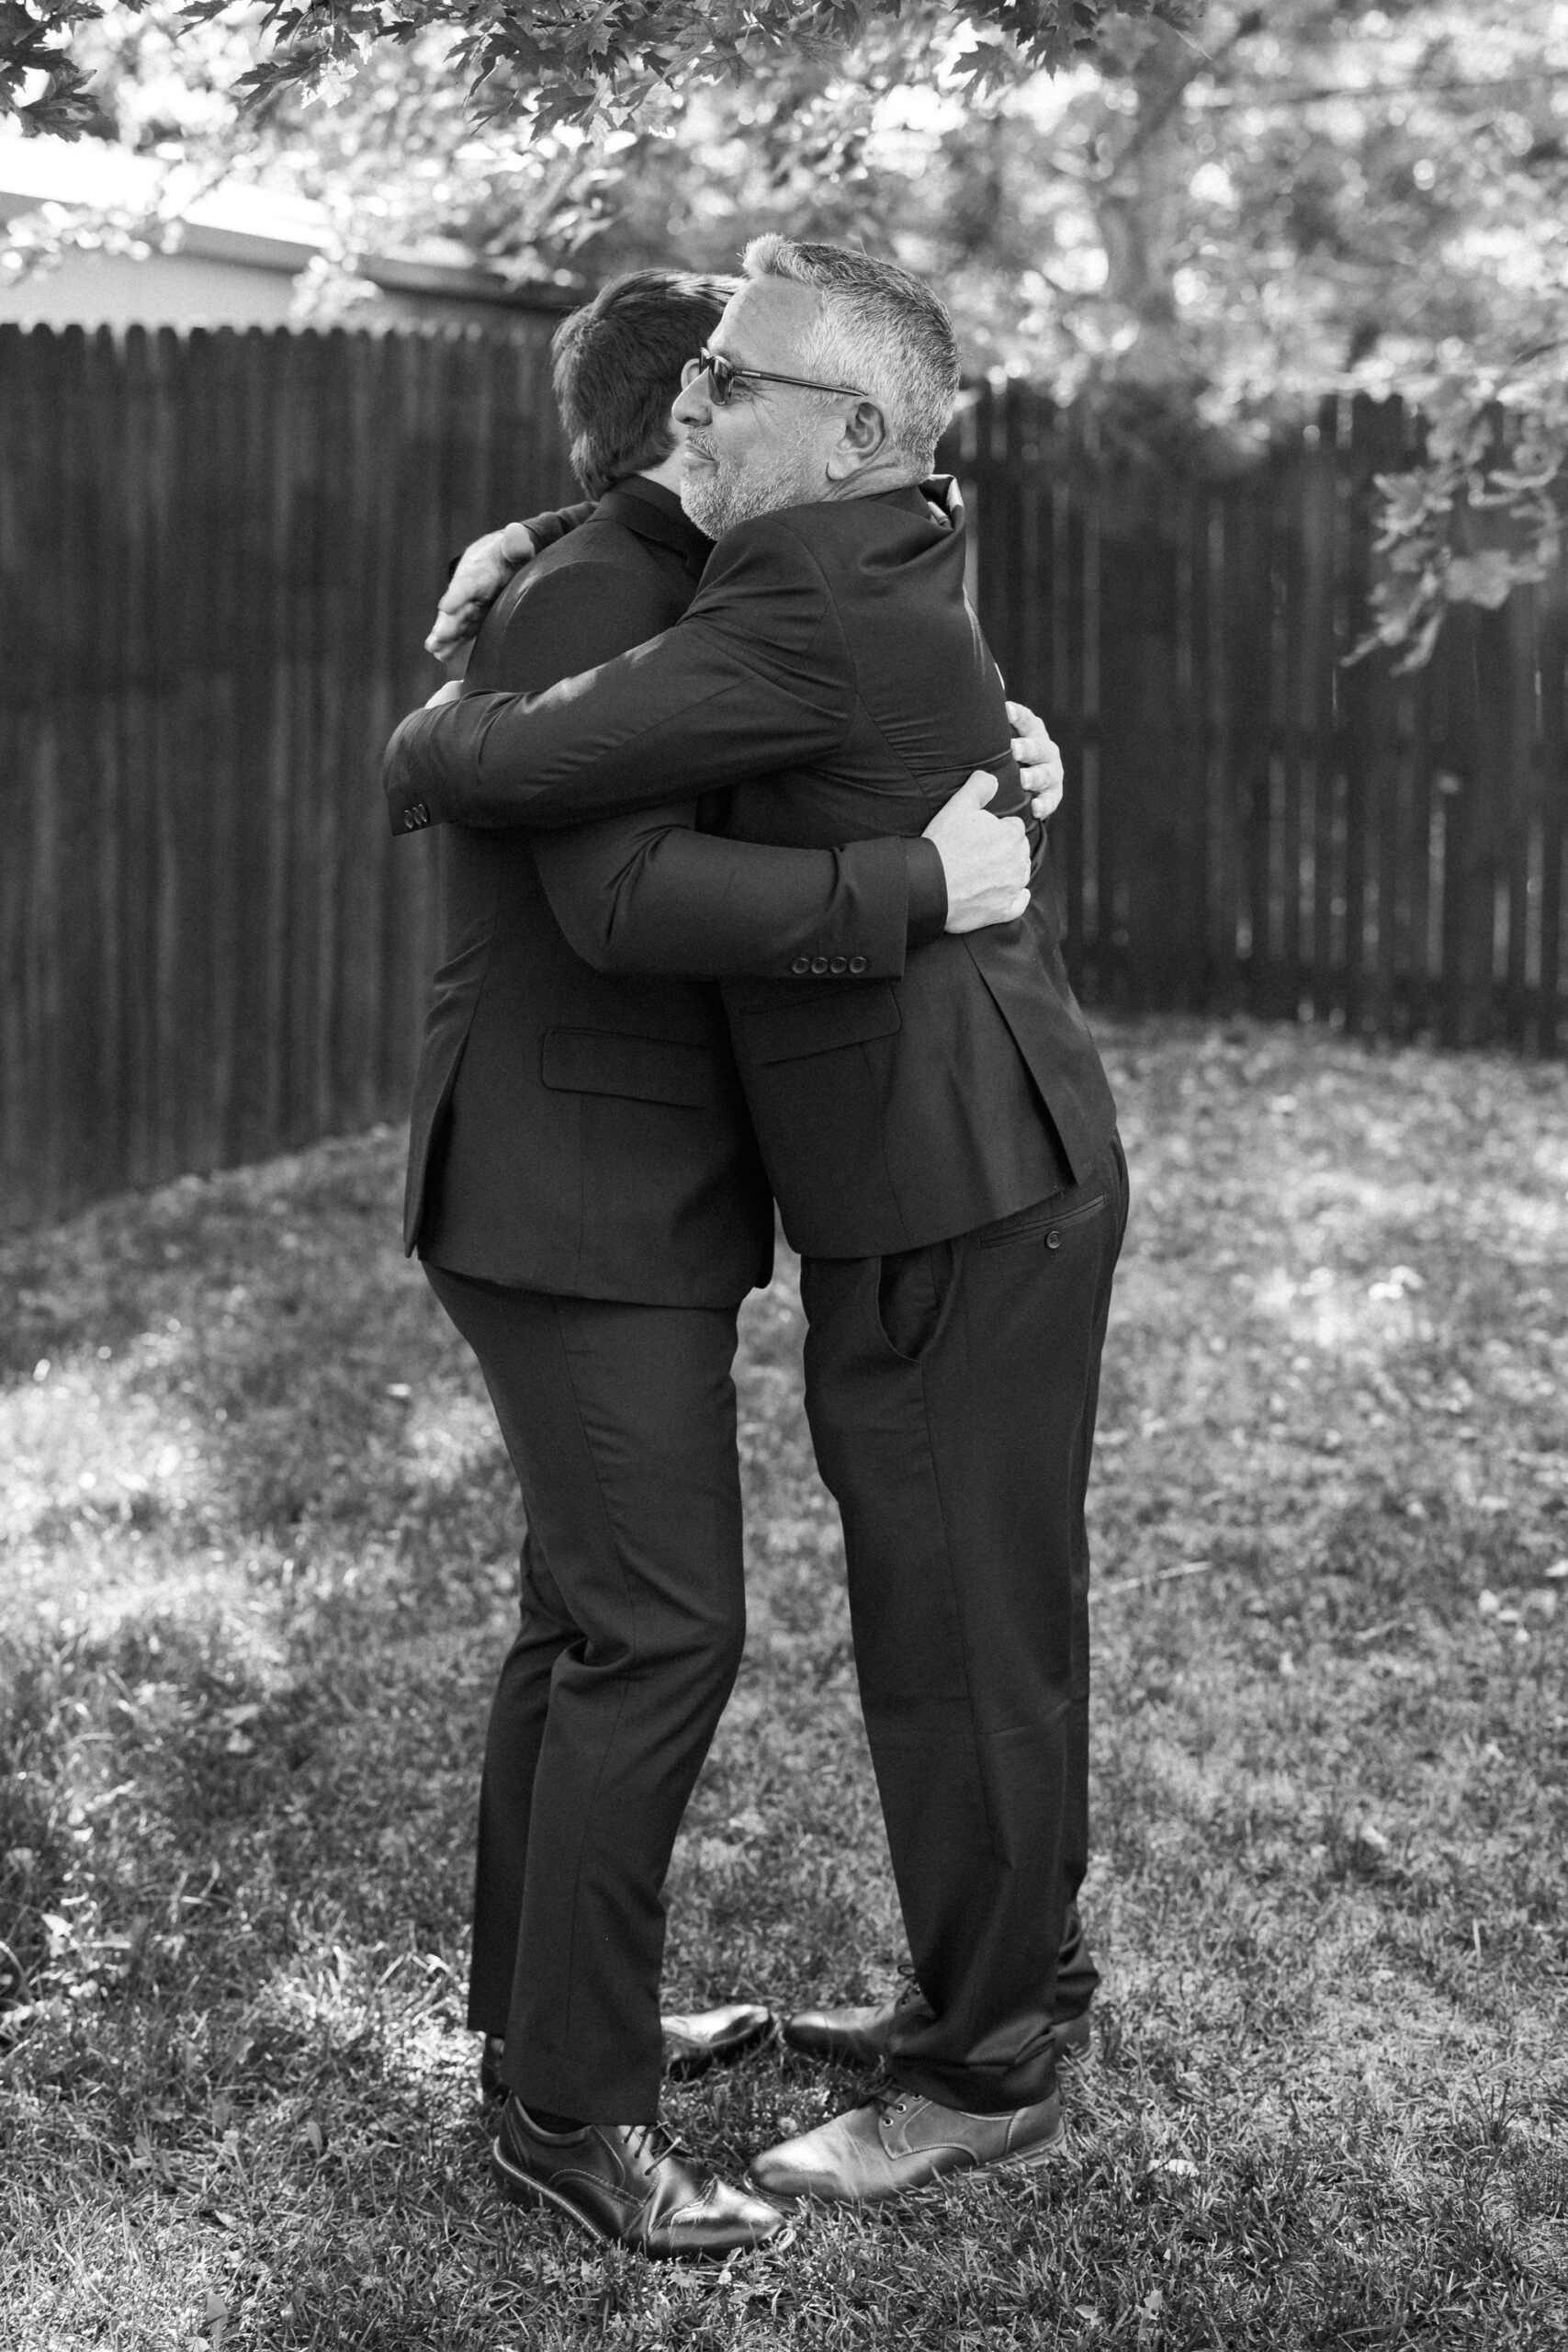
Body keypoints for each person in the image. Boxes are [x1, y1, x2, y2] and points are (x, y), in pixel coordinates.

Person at [386, 235, 1123, 2213]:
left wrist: (444, 716)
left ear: (850, 432)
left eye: (747, 378)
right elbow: (627, 854)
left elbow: (724, 735)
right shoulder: (738, 563)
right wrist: (487, 640)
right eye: (698, 376)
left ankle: (987, 2052)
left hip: (960, 1168)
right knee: (828, 1623)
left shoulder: (786, 577)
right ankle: (609, 2054)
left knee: (960, 1630)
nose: (711, 397)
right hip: (779, 1177)